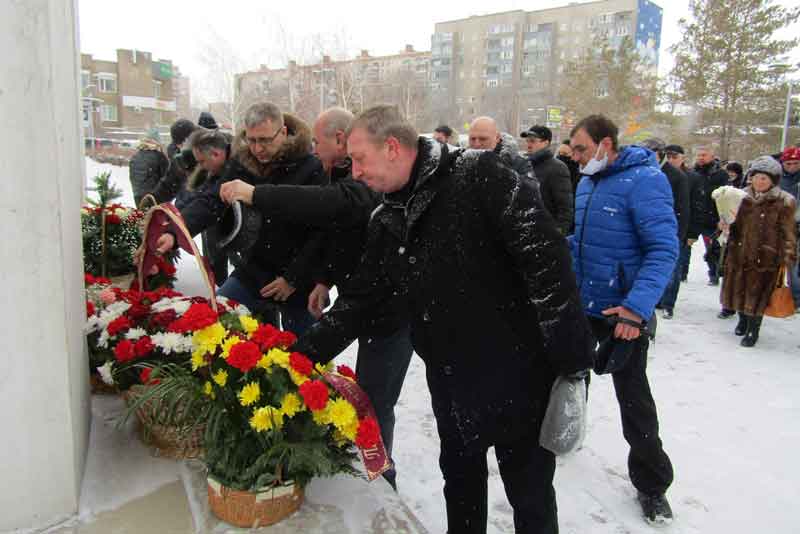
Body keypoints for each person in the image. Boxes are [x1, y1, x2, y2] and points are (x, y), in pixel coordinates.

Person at [293, 105, 594, 533]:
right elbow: (358, 300)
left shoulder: (481, 176)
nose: (354, 172)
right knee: (461, 484)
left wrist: (572, 365)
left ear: (393, 148)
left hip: (518, 376)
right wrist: (298, 356)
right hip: (452, 379)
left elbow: (548, 265)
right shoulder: (390, 215)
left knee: (529, 495)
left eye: (360, 159)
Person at [220, 107, 412, 490]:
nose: (311, 147)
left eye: (317, 142)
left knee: (374, 399)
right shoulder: (343, 172)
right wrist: (323, 280)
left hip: (390, 310)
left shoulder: (369, 181)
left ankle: (380, 475)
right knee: (329, 375)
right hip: (358, 296)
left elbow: (330, 207)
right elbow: (334, 234)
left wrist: (255, 194)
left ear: (340, 140)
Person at [569, 115, 677, 524]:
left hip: (623, 314)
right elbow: (582, 244)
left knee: (633, 399)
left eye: (581, 148)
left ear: (606, 144)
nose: (575, 156)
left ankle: (652, 484)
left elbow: (663, 250)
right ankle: (564, 438)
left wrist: (636, 309)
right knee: (566, 376)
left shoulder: (646, 181)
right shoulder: (587, 182)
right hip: (584, 305)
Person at [154, 102, 327, 335]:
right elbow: (211, 200)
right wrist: (175, 232)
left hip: (299, 277)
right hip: (255, 267)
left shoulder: (310, 167)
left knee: (307, 354)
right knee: (216, 322)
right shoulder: (242, 163)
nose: (258, 148)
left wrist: (293, 279)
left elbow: (322, 230)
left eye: (265, 140)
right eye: (252, 140)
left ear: (283, 133)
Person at [721, 156, 797, 346]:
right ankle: (742, 320)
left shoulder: (784, 201)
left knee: (758, 294)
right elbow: (730, 222)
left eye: (764, 178)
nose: (759, 182)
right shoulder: (739, 197)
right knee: (739, 289)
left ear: (773, 180)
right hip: (739, 252)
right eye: (756, 177)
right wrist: (724, 226)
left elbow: (789, 231)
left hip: (766, 255)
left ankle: (753, 329)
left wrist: (788, 256)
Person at [638, 139, 690, 319]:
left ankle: (669, 304)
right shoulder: (640, 172)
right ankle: (655, 300)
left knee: (671, 270)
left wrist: (681, 236)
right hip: (645, 227)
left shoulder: (676, 176)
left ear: (660, 154)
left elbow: (683, 207)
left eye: (650, 152)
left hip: (670, 229)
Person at [522, 125, 573, 234]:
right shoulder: (524, 165)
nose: (528, 144)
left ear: (545, 143)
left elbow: (565, 209)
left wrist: (557, 236)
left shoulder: (558, 168)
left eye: (532, 141)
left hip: (546, 234)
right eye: (527, 141)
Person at [690, 146, 728, 285]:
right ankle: (682, 273)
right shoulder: (693, 172)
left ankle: (714, 273)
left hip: (711, 217)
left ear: (712, 157)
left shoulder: (720, 174)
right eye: (699, 155)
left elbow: (724, 196)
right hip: (695, 215)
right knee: (686, 246)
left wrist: (721, 216)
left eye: (704, 155)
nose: (701, 157)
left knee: (712, 248)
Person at [468, 116, 533, 179]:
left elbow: (531, 188)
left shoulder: (519, 164)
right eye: (472, 139)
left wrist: (502, 173)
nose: (477, 144)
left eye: (483, 139)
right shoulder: (463, 162)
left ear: (497, 138)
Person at [778, 146, 800, 308]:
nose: (792, 167)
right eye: (788, 163)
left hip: (797, 226)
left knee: (794, 265)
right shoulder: (777, 178)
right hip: (778, 225)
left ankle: (796, 297)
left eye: (795, 163)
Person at [129, 127, 169, 207]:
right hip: (154, 198)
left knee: (142, 217)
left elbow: (132, 177)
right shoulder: (159, 156)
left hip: (137, 196)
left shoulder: (135, 156)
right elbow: (167, 178)